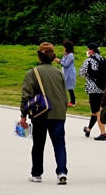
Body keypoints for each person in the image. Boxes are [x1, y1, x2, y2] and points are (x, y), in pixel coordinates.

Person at [19, 42, 70, 184]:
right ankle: (62, 172)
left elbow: (26, 96)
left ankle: (36, 173)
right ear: (53, 56)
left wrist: (23, 115)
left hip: (41, 114)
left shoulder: (32, 73)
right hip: (59, 113)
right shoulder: (59, 72)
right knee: (59, 144)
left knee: (38, 144)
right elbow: (64, 95)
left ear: (39, 56)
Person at [79, 43, 106, 141]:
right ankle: (88, 129)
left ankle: (103, 133)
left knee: (97, 111)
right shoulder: (105, 59)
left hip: (93, 89)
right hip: (103, 88)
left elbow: (81, 73)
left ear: (91, 50)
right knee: (95, 111)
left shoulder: (89, 60)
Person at [60, 40, 76, 107]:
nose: (63, 48)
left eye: (64, 47)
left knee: (70, 87)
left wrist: (59, 61)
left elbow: (66, 64)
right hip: (65, 72)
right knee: (64, 86)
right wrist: (61, 61)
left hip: (70, 73)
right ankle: (63, 100)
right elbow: (63, 62)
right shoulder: (65, 54)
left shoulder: (71, 55)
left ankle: (73, 102)